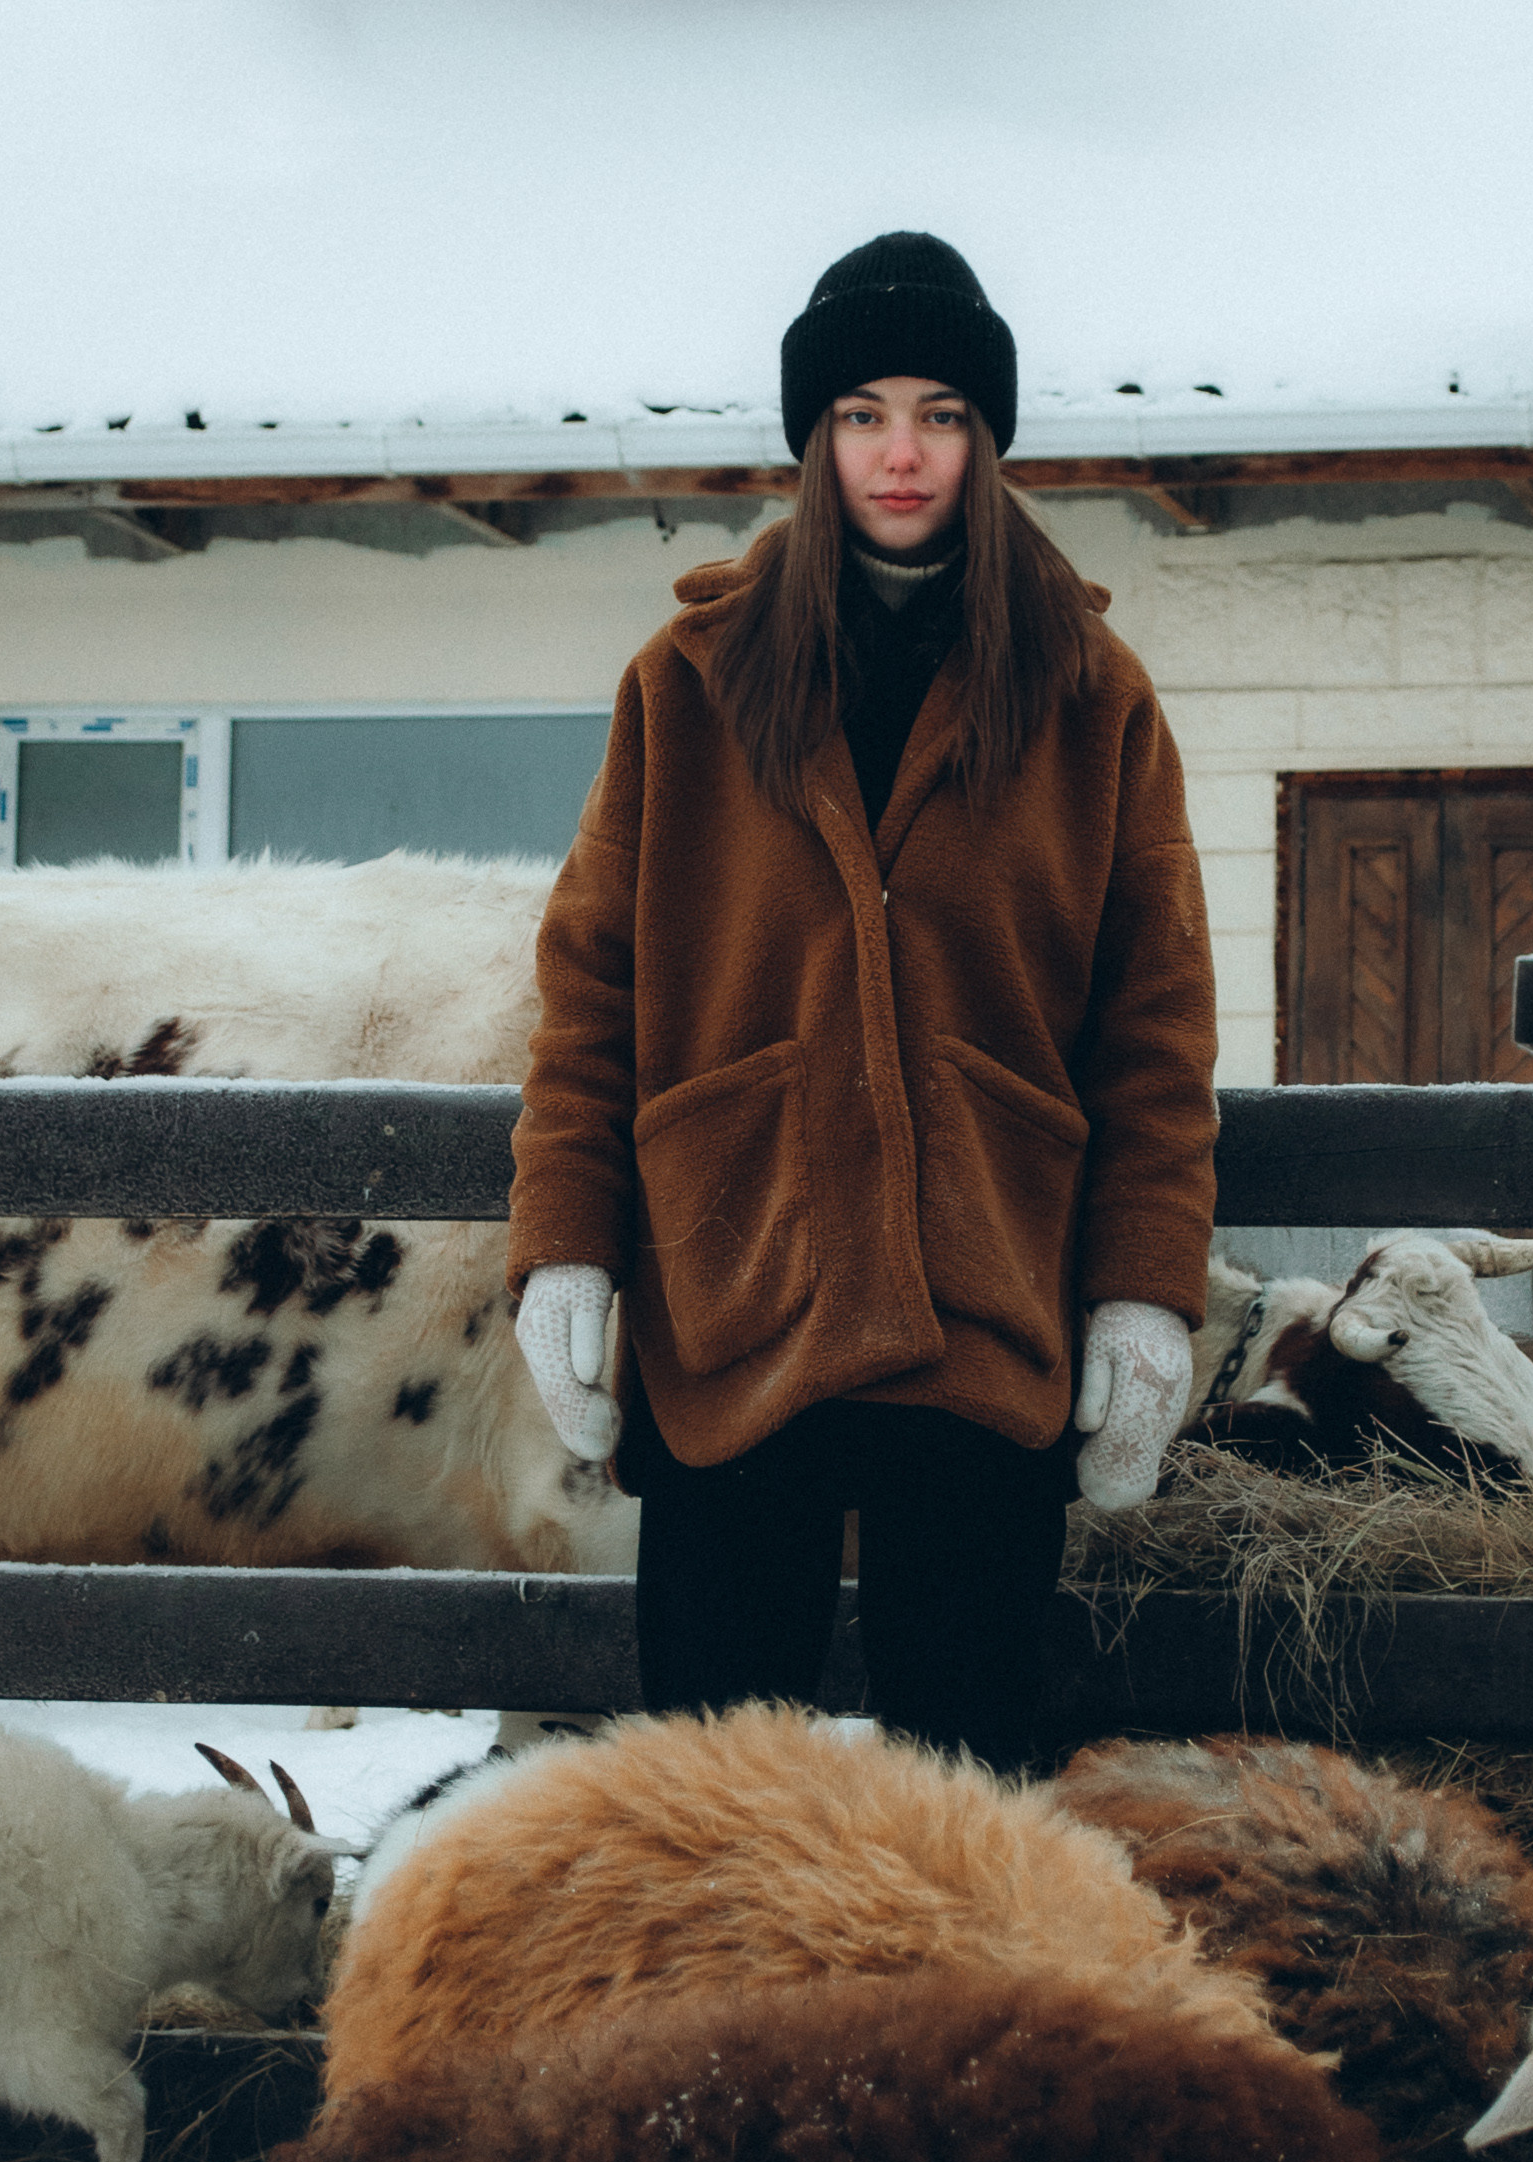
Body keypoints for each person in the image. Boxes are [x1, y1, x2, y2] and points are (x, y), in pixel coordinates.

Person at [508, 231, 1218, 1770]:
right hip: (732, 1299)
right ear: (814, 438)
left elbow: (1154, 1030)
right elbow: (592, 997)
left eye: (944, 413)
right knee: (712, 1807)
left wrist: (1147, 1293)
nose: (903, 453)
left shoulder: (1093, 694)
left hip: (985, 1309)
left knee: (968, 1807)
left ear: (991, 439)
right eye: (863, 413)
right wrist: (563, 1249)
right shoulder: (688, 683)